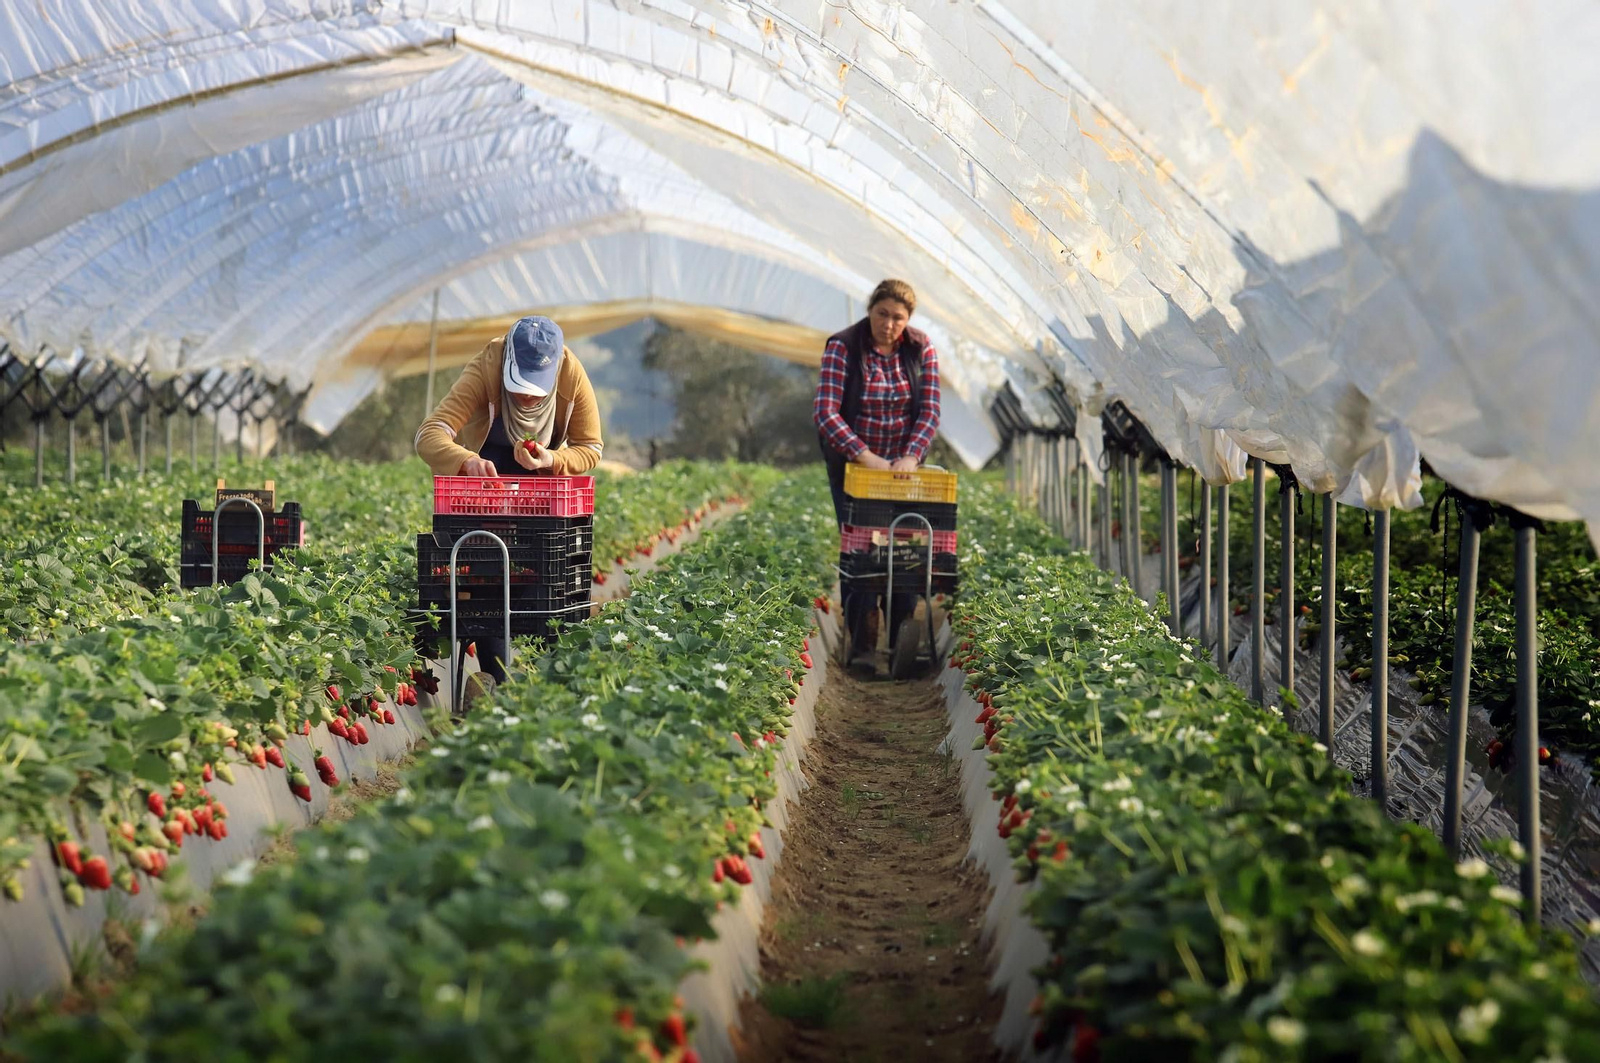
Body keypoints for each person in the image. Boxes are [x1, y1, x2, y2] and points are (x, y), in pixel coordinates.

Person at [414, 315, 603, 706]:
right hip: (484, 480)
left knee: (539, 570)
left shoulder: (571, 375)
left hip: (541, 482)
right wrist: (466, 460)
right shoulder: (488, 366)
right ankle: (496, 678)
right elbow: (429, 434)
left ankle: (546, 678)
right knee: (484, 571)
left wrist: (550, 459)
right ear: (510, 365)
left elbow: (591, 448)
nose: (529, 398)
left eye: (537, 390)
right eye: (521, 388)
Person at [813, 279, 941, 672]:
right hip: (857, 471)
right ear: (870, 310)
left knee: (905, 550)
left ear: (908, 320)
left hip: (903, 474)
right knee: (861, 552)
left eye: (897, 317)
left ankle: (903, 635)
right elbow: (826, 412)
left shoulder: (921, 349)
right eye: (882, 314)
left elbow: (930, 411)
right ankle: (864, 646)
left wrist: (910, 457)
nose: (888, 324)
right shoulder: (844, 347)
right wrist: (864, 455)